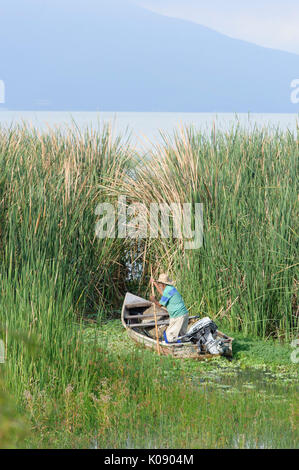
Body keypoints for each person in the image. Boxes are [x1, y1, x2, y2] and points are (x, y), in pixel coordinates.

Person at [150, 273, 189, 343]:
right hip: (184, 314)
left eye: (159, 283)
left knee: (170, 336)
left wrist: (153, 300)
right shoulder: (170, 288)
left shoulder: (168, 290)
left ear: (163, 284)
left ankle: (174, 350)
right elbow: (162, 293)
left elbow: (159, 305)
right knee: (183, 336)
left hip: (178, 316)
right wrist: (154, 283)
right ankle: (185, 347)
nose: (159, 284)